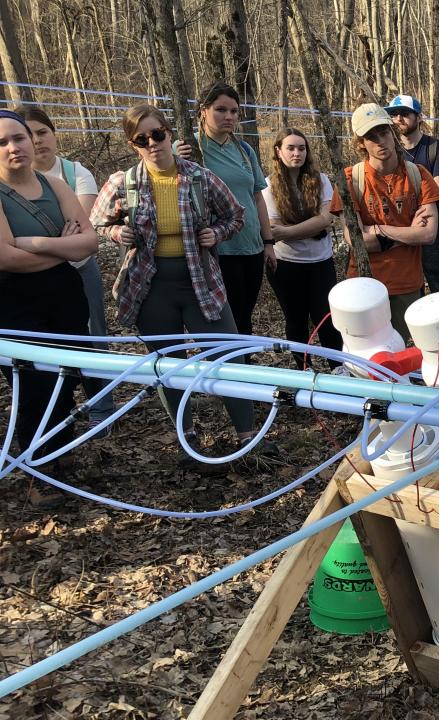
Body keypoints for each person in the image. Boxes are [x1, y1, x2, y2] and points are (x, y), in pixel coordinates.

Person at [91, 104, 266, 458]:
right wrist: (117, 232)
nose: (152, 143)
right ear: (132, 145)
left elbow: (236, 215)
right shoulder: (124, 183)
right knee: (166, 364)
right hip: (151, 285)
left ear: (169, 134)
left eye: (158, 134)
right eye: (142, 139)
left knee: (227, 356)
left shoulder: (199, 178)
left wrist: (216, 233)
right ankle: (187, 438)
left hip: (201, 280)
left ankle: (247, 436)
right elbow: (98, 220)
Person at [0, 110, 98, 507]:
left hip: (65, 297)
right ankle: (37, 468)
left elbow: (89, 242)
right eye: (2, 142)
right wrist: (63, 246)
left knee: (66, 375)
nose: (13, 147)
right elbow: (6, 259)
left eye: (19, 138)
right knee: (31, 385)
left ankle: (61, 450)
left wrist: (36, 243)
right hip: (14, 303)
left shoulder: (54, 184)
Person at [19, 104, 119, 431]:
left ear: (54, 133)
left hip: (80, 270)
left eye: (43, 132)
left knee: (92, 335)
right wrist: (60, 241)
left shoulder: (76, 174)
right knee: (46, 342)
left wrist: (32, 242)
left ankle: (102, 406)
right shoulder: (11, 183)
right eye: (30, 135)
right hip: (32, 277)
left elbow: (82, 230)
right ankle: (60, 409)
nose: (38, 141)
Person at [338, 103, 439, 342]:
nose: (380, 141)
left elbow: (428, 235)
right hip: (363, 285)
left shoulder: (418, 175)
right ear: (361, 143)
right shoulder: (350, 179)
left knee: (400, 353)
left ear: (393, 132)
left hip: (406, 284)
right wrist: (409, 233)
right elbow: (356, 240)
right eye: (371, 137)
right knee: (365, 355)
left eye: (384, 132)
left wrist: (379, 230)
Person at [179, 82, 275, 338]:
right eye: (221, 110)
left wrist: (268, 242)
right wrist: (175, 158)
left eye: (234, 111)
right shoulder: (190, 148)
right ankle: (230, 361)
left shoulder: (244, 150)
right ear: (203, 111)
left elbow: (257, 198)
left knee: (245, 316)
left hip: (251, 246)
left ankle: (246, 361)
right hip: (217, 248)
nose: (229, 116)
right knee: (225, 320)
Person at [263, 128, 344, 369]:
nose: (296, 153)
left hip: (321, 262)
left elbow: (326, 219)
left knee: (326, 319)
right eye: (290, 148)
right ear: (278, 151)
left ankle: (338, 369)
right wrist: (312, 227)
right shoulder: (268, 186)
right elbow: (273, 229)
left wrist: (289, 231)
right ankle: (303, 370)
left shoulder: (321, 180)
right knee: (296, 320)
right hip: (285, 264)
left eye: (301, 148)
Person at [386, 94, 439, 294]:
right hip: (400, 233)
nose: (398, 119)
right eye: (394, 114)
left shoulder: (435, 148)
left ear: (419, 117)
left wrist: (415, 212)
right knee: (408, 292)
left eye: (405, 113)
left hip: (432, 233)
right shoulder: (389, 152)